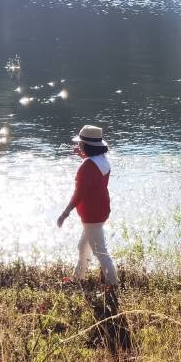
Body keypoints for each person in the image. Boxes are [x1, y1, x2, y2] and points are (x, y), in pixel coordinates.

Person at [56, 124, 118, 290]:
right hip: (101, 209)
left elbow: (79, 193)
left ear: (86, 146)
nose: (79, 146)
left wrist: (65, 213)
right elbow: (92, 170)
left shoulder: (87, 166)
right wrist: (83, 156)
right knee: (83, 246)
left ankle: (113, 285)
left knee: (100, 252)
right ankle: (79, 278)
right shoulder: (102, 160)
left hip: (92, 214)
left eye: (81, 144)